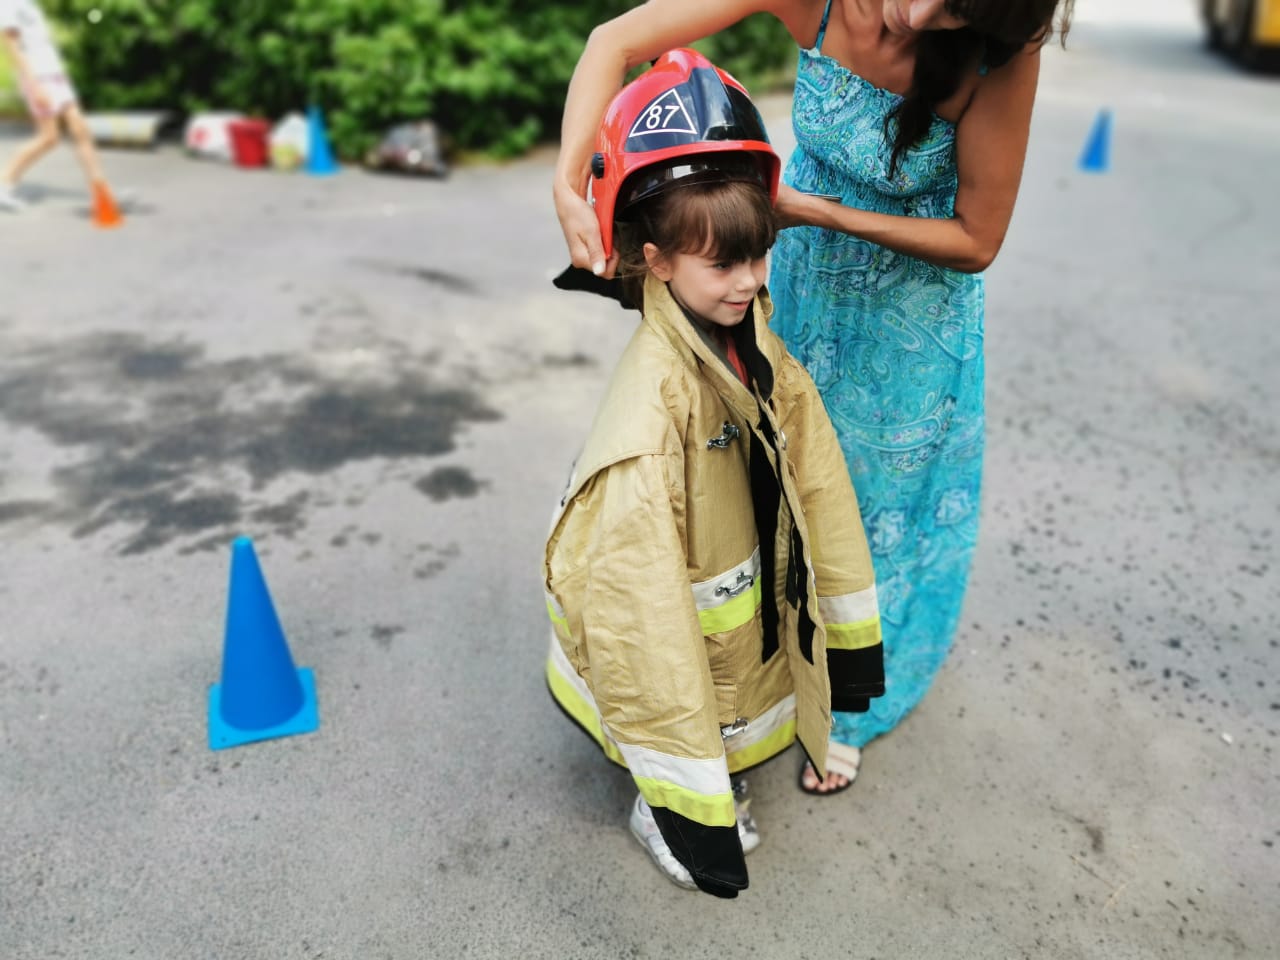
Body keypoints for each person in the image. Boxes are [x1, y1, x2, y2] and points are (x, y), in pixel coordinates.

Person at [553, 0, 1073, 796]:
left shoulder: (1001, 45)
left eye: (952, 14)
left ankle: (852, 702)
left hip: (909, 325)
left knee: (871, 510)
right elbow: (614, 41)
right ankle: (763, 668)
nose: (919, 15)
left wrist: (812, 210)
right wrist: (570, 182)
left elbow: (978, 239)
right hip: (791, 286)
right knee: (760, 480)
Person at [542, 48, 884, 897]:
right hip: (679, 620)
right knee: (691, 700)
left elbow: (818, 484)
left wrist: (844, 654)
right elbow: (643, 622)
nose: (751, 281)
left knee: (728, 684)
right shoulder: (650, 419)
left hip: (731, 609)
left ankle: (723, 762)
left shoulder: (743, 331)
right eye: (724, 264)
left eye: (758, 255)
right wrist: (694, 807)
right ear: (656, 259)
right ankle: (662, 808)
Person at [0, 0, 120, 217]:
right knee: (49, 137)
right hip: (38, 78)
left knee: (80, 129)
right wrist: (35, 86)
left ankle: (101, 191)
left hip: (54, 74)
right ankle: (4, 182)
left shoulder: (30, 4)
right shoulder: (9, 4)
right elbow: (12, 47)